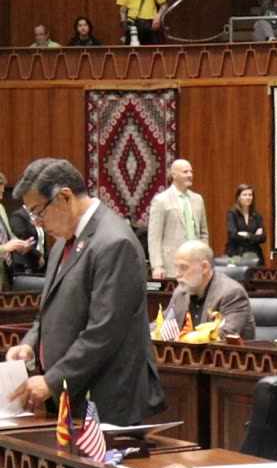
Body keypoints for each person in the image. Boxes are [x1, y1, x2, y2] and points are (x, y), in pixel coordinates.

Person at [5, 158, 165, 425]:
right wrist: (30, 345)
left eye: (38, 212)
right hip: (72, 396)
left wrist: (52, 381)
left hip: (107, 400)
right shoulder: (62, 243)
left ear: (65, 197)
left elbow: (104, 331)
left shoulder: (114, 242)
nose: (38, 223)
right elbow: (49, 311)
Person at [168, 241, 255, 340]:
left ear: (204, 268)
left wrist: (184, 340)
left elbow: (221, 337)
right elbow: (162, 326)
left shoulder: (232, 293)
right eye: (176, 267)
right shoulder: (181, 292)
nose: (177, 274)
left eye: (184, 268)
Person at [147, 159, 209, 279]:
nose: (190, 175)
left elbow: (203, 233)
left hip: (195, 264)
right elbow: (154, 237)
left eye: (191, 172)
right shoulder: (161, 200)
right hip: (172, 265)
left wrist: (203, 256)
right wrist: (157, 266)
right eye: (185, 172)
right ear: (174, 175)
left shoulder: (197, 199)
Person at [0, 173, 36, 291]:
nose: (1, 197)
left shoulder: (1, 208)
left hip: (5, 272)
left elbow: (8, 234)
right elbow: (5, 246)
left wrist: (19, 244)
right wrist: (4, 248)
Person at [225, 184, 265, 263]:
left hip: (255, 256)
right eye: (244, 195)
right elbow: (233, 236)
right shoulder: (232, 213)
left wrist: (246, 235)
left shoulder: (257, 215)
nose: (248, 197)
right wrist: (254, 237)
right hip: (236, 255)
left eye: (250, 195)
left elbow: (263, 237)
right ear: (238, 197)